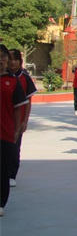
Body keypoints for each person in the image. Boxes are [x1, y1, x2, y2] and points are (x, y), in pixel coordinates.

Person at [0, 45, 29, 217]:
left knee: (3, 169)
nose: (1, 60)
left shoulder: (13, 81)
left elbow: (19, 107)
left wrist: (17, 128)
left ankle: (1, 202)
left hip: (5, 132)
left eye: (3, 56)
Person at [7, 50, 35, 188]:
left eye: (15, 59)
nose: (12, 62)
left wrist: (25, 120)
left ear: (20, 62)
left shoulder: (24, 78)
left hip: (17, 121)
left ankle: (11, 175)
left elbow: (28, 101)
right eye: (10, 59)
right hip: (4, 119)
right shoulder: (3, 76)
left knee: (14, 148)